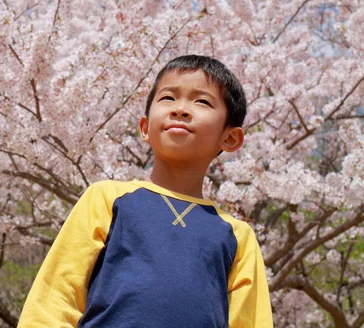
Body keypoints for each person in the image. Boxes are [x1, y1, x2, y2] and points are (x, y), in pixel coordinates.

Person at [18, 55, 273, 327]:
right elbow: (55, 299)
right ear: (145, 127)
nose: (181, 109)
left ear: (230, 137)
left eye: (202, 101)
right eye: (168, 98)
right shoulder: (108, 199)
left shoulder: (236, 235)